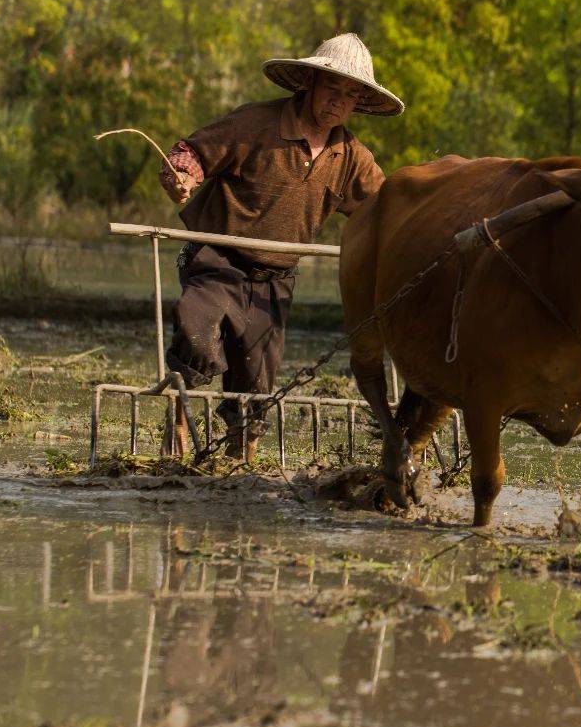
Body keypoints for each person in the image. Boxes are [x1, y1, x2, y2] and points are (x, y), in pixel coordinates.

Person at [159, 32, 403, 459]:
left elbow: (388, 210)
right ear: (310, 83)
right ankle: (177, 426)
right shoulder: (255, 124)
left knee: (255, 386)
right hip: (218, 259)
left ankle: (242, 461)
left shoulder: (351, 157)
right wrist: (183, 176)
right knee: (196, 338)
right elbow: (192, 153)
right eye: (332, 88)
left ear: (358, 103)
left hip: (275, 278)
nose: (337, 102)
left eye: (350, 95)